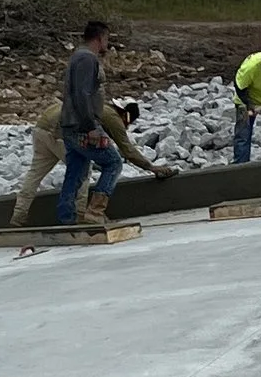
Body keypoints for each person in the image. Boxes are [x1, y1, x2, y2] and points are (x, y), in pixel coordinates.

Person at [11, 94, 160, 224]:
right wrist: (151, 167)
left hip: (41, 129)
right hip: (59, 133)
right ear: (125, 115)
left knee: (35, 174)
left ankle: (18, 215)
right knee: (82, 169)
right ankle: (82, 214)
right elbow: (127, 149)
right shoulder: (112, 117)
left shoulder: (99, 106)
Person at [55, 20, 121, 225]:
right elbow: (82, 95)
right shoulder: (87, 59)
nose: (107, 44)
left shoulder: (77, 56)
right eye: (106, 39)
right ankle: (95, 211)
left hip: (70, 125)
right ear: (99, 38)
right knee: (113, 163)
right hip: (82, 126)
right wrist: (91, 127)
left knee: (75, 170)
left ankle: (67, 217)